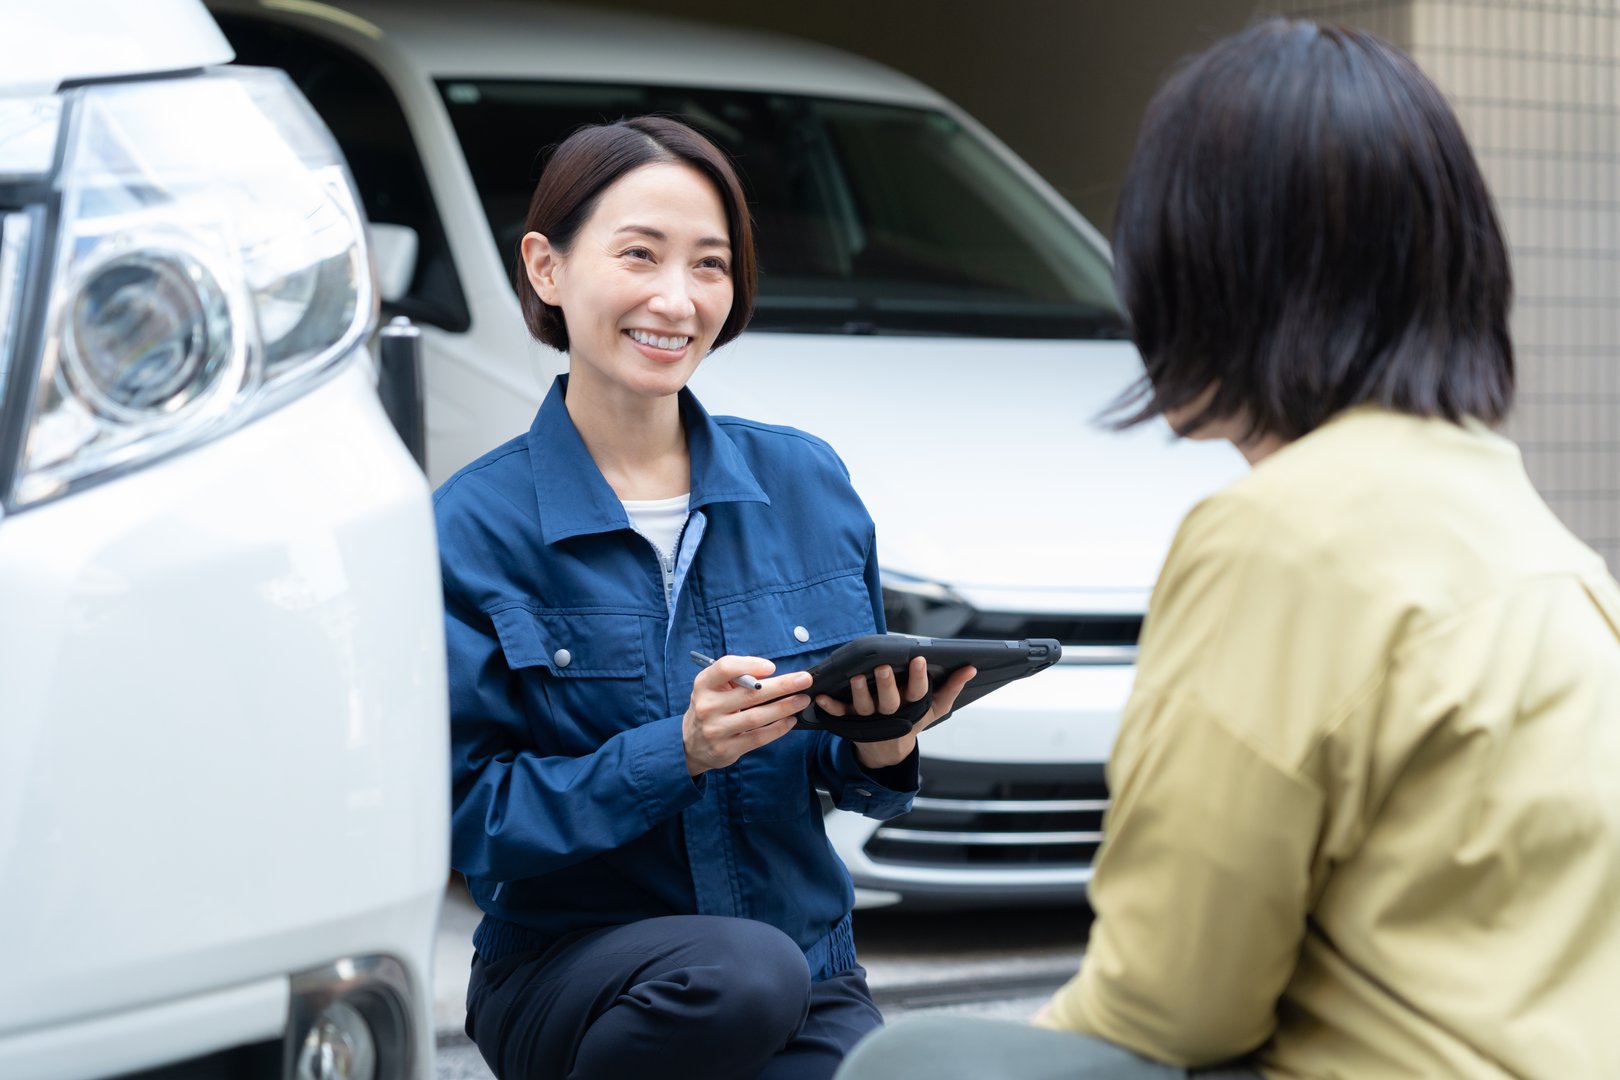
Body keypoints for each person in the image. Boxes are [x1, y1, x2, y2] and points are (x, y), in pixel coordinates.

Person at [836, 19, 1620, 1080]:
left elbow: (1172, 999)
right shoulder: (1540, 538)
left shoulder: (1282, 531)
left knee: (912, 1061)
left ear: (1194, 264)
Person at [433, 115, 974, 1080]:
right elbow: (469, 816)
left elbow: (847, 779)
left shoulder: (808, 482)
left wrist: (885, 739)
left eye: (710, 265)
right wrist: (674, 752)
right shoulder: (473, 528)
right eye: (639, 254)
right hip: (575, 978)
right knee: (739, 972)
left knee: (801, 998)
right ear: (547, 268)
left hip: (805, 972)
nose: (676, 300)